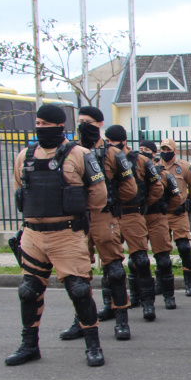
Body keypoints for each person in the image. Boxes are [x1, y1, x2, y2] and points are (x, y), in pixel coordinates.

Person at [6, 104, 108, 367]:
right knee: (29, 291)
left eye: (45, 123)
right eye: (37, 123)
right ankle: (29, 345)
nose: (40, 128)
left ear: (60, 126)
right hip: (33, 235)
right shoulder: (24, 156)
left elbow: (98, 196)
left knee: (79, 289)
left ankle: (93, 346)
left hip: (66, 234)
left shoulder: (80, 155)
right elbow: (20, 189)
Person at [59, 107, 138, 342]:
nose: (83, 125)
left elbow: (130, 188)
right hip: (78, 219)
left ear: (100, 123)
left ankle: (121, 319)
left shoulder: (113, 153)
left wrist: (111, 205)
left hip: (104, 216)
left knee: (113, 269)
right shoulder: (70, 152)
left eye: (88, 122)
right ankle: (80, 321)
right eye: (80, 121)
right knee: (76, 274)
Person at [105, 126, 164, 322]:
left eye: (113, 143)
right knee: (111, 264)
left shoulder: (141, 161)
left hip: (132, 213)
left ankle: (148, 303)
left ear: (123, 142)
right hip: (110, 215)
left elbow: (157, 186)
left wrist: (145, 203)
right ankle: (109, 304)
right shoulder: (102, 157)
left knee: (141, 260)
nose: (111, 147)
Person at [141, 140, 184, 310]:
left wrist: (164, 209)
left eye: (147, 150)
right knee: (138, 260)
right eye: (141, 149)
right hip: (139, 218)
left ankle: (169, 296)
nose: (143, 152)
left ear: (153, 153)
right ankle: (141, 298)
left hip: (157, 217)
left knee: (164, 260)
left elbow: (176, 198)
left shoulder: (163, 174)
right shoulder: (134, 173)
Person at [159, 138, 191, 297]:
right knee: (161, 249)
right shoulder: (156, 167)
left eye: (168, 149)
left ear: (174, 151)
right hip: (161, 214)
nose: (165, 152)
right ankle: (160, 282)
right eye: (163, 149)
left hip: (178, 213)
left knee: (183, 247)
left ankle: (189, 283)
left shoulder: (183, 167)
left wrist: (190, 201)